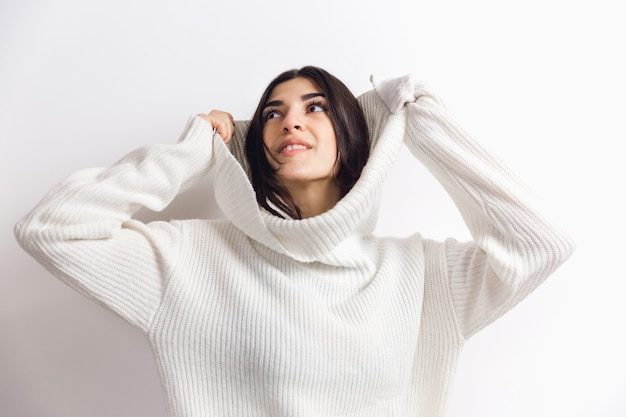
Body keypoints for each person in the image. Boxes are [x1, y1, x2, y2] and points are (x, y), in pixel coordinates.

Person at [15, 66, 574, 417]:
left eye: (317, 107)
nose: (290, 122)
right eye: (273, 113)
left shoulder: (422, 276)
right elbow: (52, 229)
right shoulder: (194, 261)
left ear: (354, 134)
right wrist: (191, 151)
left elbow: (539, 244)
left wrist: (421, 125)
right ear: (257, 146)